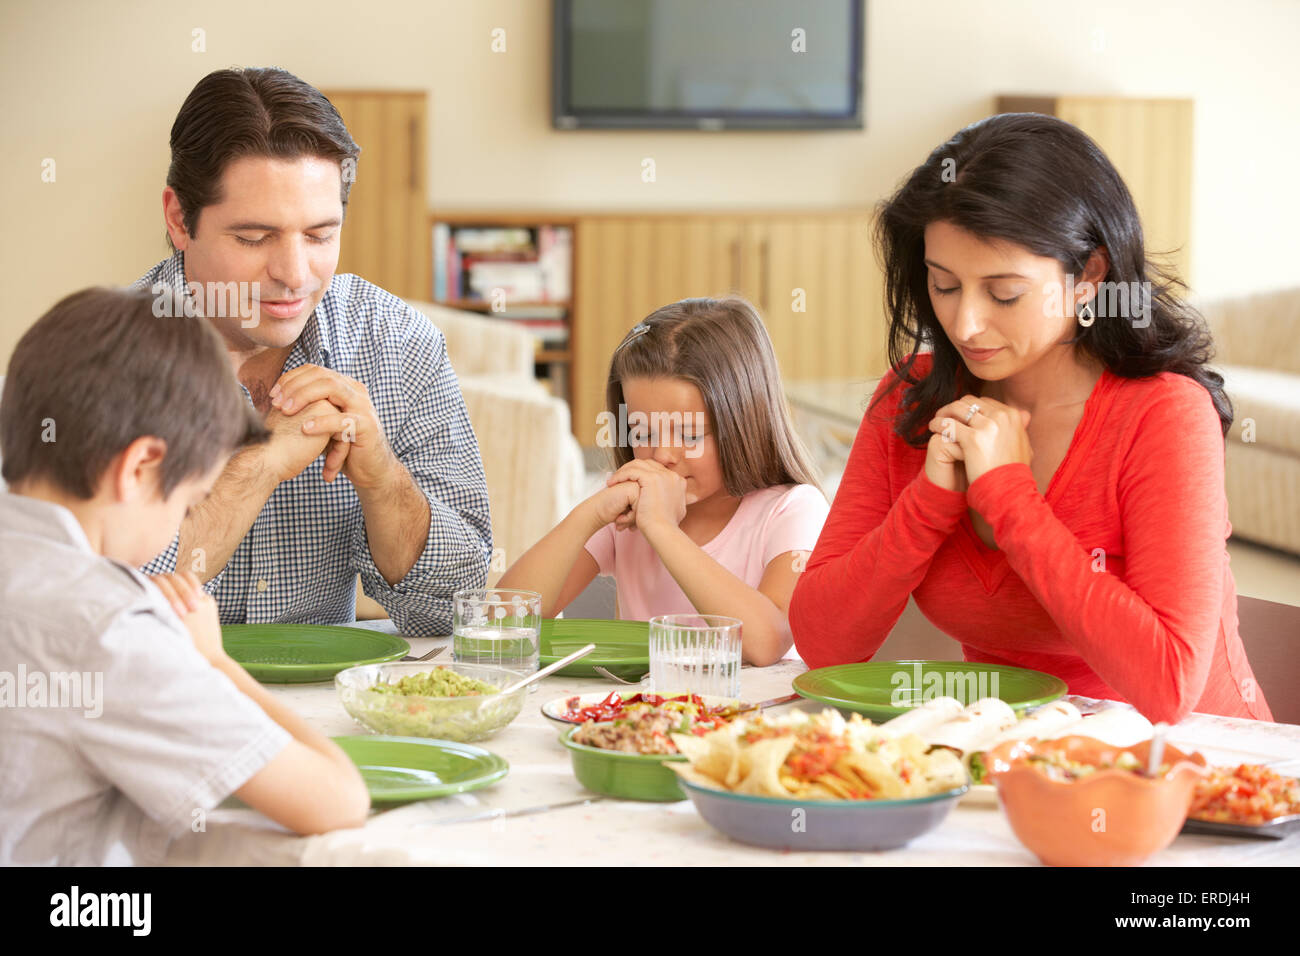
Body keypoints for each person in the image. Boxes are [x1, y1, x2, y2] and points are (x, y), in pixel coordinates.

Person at [789, 112, 1272, 724]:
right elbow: (824, 644)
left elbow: (1169, 687)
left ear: (1089, 275)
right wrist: (929, 502)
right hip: (1012, 765)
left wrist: (1008, 499)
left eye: (1004, 294)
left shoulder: (1164, 413)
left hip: (1197, 777)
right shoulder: (913, 397)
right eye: (943, 285)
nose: (964, 325)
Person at [0, 288, 370, 866]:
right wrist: (214, 661)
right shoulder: (112, 631)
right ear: (141, 467)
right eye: (192, 503)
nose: (186, 521)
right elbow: (337, 797)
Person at [134, 67, 491, 636]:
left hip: (328, 714)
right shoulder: (100, 362)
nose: (294, 275)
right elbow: (95, 614)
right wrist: (260, 465)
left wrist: (382, 480)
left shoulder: (398, 344)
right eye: (254, 238)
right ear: (180, 219)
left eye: (321, 235)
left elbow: (453, 612)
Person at [499, 297, 829, 666]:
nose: (663, 455)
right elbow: (505, 622)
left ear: (744, 422)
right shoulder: (623, 503)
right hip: (644, 716)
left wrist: (662, 528)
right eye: (642, 432)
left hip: (757, 718)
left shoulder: (793, 509)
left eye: (689, 435)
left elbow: (766, 643)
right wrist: (586, 517)